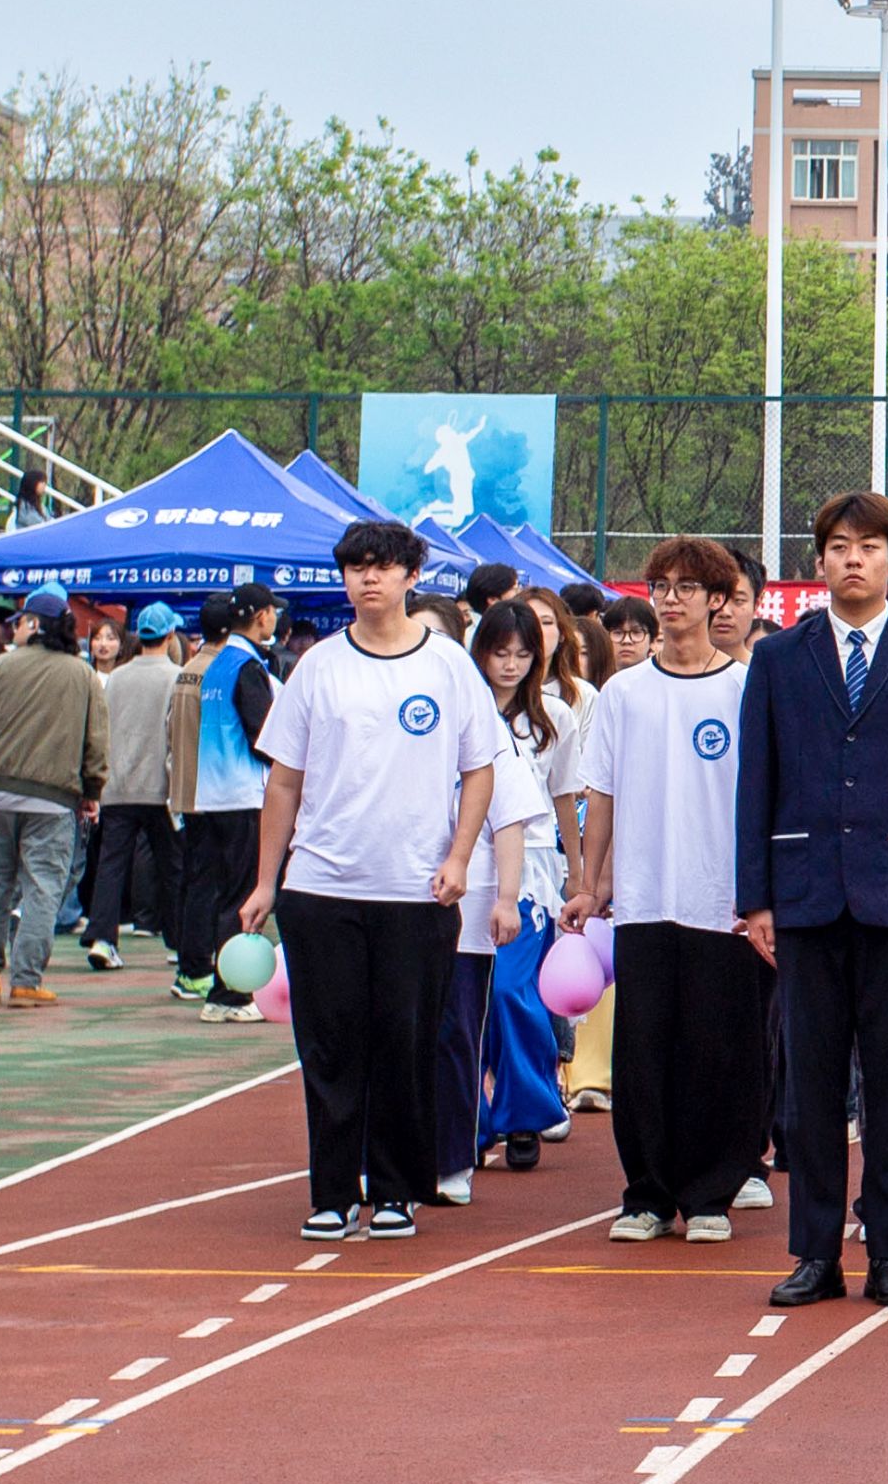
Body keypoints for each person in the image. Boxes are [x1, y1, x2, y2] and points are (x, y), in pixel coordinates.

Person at [734, 491, 888, 1310]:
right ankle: (815, 1253)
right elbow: (755, 783)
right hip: (803, 896)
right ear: (820, 562)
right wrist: (755, 897)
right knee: (809, 1087)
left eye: (869, 547)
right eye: (839, 546)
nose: (854, 559)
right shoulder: (779, 658)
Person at [240, 522, 502, 1241]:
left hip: (416, 892)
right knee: (330, 1047)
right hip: (322, 886)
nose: (369, 580)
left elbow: (480, 768)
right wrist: (267, 882)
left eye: (383, 567)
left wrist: (459, 857)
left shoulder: (448, 666)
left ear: (412, 576)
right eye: (356, 568)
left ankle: (394, 1190)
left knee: (405, 1044)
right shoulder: (319, 666)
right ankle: (331, 1192)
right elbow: (284, 781)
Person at [568, 536, 767, 1244]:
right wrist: (591, 883)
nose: (671, 599)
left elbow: (767, 796)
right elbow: (602, 792)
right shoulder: (625, 693)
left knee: (721, 1051)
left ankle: (711, 1192)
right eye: (661, 587)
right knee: (644, 1053)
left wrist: (761, 893)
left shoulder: (747, 689)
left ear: (718, 600)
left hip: (723, 903)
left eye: (687, 587)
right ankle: (646, 1195)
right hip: (644, 900)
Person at [451, 600, 565, 1184]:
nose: (511, 665)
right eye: (500, 653)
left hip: (530, 874)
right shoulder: (458, 713)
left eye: (523, 654)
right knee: (460, 1004)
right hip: (462, 873)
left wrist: (582, 880)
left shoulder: (552, 719)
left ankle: (524, 1114)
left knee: (511, 993)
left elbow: (565, 799)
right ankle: (465, 1124)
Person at [0, 587, 108, 1009]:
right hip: (54, 801)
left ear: (34, 624)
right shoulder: (83, 675)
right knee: (43, 890)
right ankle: (26, 981)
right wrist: (92, 791)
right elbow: (96, 742)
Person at [164, 588, 281, 1017]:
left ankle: (216, 985)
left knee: (212, 892)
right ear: (262, 616)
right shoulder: (247, 667)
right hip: (242, 795)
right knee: (241, 896)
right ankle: (231, 994)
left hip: (207, 795)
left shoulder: (212, 665)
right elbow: (265, 736)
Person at [82, 603, 186, 969]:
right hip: (161, 787)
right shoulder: (178, 676)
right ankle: (178, 943)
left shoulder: (118, 677)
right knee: (172, 867)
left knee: (111, 865)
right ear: (170, 635)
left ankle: (102, 938)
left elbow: (102, 729)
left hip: (118, 785)